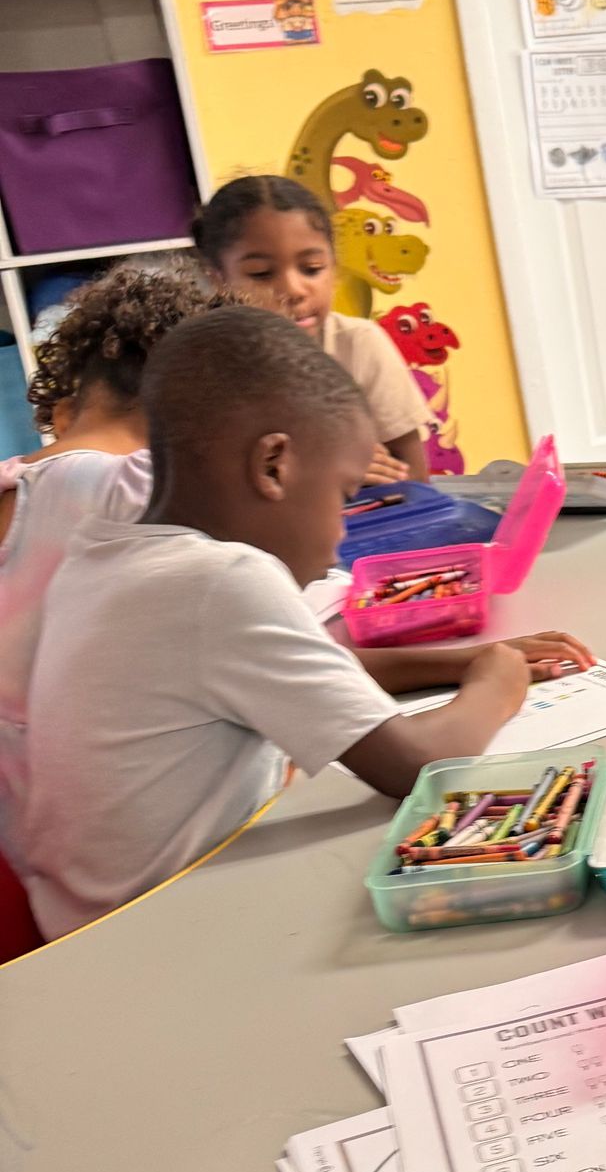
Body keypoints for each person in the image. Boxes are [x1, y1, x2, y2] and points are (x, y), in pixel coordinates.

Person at [20, 308, 556, 940]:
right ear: (273, 466)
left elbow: (297, 670)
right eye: (341, 497)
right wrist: (498, 679)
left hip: (85, 923)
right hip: (161, 936)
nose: (338, 543)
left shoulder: (106, 548)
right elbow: (415, 765)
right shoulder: (220, 581)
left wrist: (457, 659)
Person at [0, 266, 217, 866]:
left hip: (31, 861)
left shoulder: (20, 479)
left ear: (66, 406)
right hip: (135, 856)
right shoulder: (137, 485)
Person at [193, 176, 430, 480]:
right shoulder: (201, 369)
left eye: (312, 269)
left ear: (333, 265)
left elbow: (417, 484)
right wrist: (316, 471)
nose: (294, 289)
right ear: (217, 280)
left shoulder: (358, 345)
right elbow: (208, 493)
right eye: (262, 274)